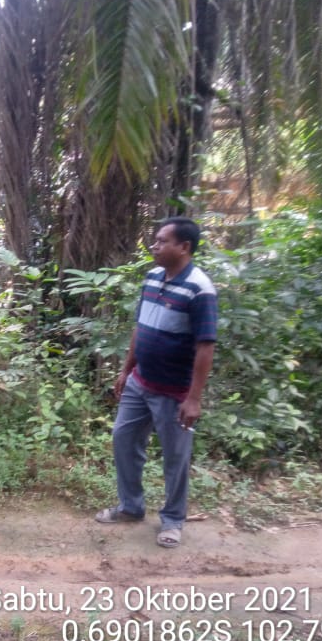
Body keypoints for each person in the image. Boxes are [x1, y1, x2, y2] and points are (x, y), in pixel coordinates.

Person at [95, 217, 217, 548]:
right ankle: (131, 506)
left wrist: (193, 398)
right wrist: (126, 370)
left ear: (184, 247)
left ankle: (173, 520)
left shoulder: (200, 290)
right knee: (123, 438)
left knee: (176, 457)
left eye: (162, 241)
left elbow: (205, 346)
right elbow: (141, 327)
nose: (155, 246)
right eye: (155, 240)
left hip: (175, 392)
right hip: (140, 382)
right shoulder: (151, 278)